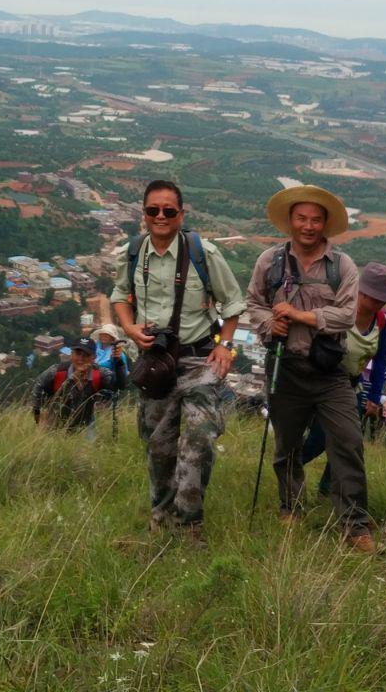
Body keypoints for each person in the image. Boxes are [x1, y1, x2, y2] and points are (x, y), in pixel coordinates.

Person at [110, 180, 245, 537]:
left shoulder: (204, 254)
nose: (160, 217)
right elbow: (120, 295)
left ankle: (189, 524)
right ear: (144, 214)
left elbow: (232, 304)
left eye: (169, 211)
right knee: (159, 447)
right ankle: (161, 515)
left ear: (181, 215)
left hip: (199, 359)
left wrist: (225, 345)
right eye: (153, 210)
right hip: (156, 362)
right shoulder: (134, 252)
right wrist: (129, 327)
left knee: (199, 439)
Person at [245, 184, 375, 552]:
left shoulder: (342, 266)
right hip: (283, 366)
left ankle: (354, 524)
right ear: (290, 221)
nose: (308, 225)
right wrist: (272, 324)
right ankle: (291, 506)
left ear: (325, 224)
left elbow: (347, 315)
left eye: (316, 219)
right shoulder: (268, 262)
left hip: (329, 372)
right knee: (287, 444)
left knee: (347, 442)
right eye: (301, 218)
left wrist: (300, 316)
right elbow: (253, 302)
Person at [301, 262, 386, 496]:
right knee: (319, 440)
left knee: (347, 441)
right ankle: (289, 466)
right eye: (373, 298)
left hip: (353, 384)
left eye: (382, 300)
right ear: (360, 291)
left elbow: (380, 357)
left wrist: (374, 396)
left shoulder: (382, 320)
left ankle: (327, 489)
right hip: (325, 381)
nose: (377, 304)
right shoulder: (342, 308)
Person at [32, 337, 126, 435]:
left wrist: (119, 362)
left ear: (93, 357)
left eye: (86, 355)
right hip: (54, 425)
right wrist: (37, 415)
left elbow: (120, 385)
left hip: (85, 426)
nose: (81, 359)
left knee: (87, 450)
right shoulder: (57, 371)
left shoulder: (99, 374)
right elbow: (38, 387)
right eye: (78, 354)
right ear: (71, 354)